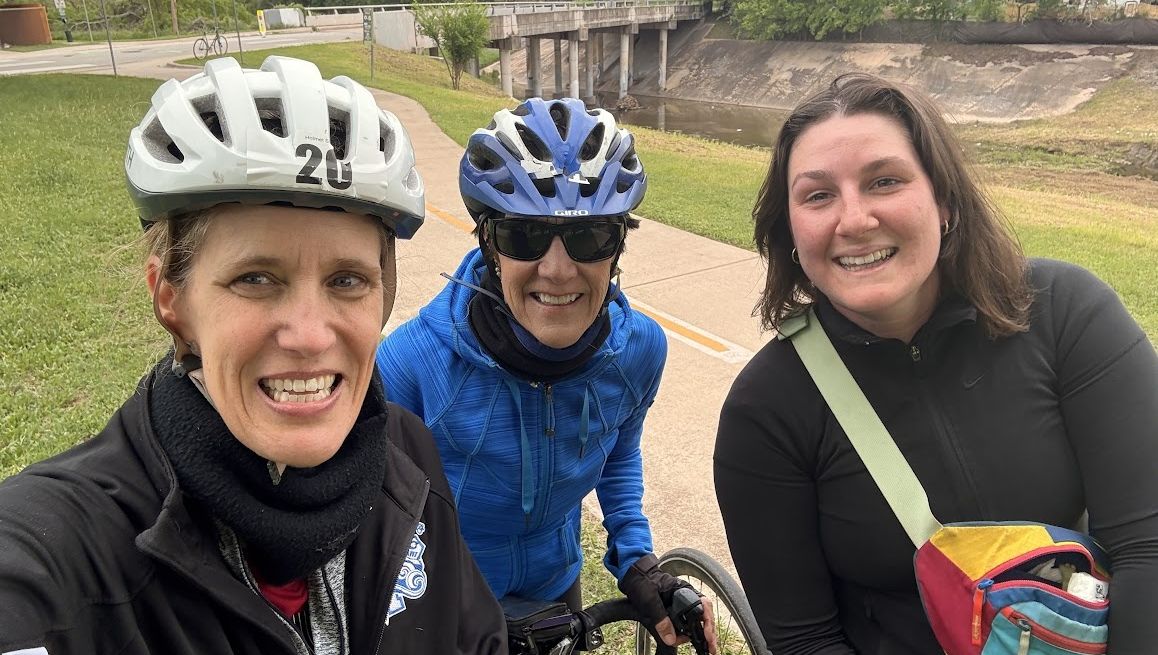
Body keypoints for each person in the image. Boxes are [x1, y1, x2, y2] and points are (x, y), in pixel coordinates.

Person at [0, 56, 506, 654]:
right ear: (171, 300)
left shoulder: (407, 456)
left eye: (347, 280)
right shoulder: (62, 548)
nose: (311, 336)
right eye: (257, 279)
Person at [714, 72, 1158, 654]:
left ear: (943, 201)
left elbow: (1146, 546)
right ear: (791, 231)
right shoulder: (765, 411)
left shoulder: (1065, 314)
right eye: (818, 195)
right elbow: (805, 640)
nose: (853, 220)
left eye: (885, 181)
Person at [376, 97, 717, 652]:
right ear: (489, 244)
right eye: (524, 236)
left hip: (559, 588)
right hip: (449, 600)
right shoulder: (412, 362)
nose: (557, 270)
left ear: (618, 247)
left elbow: (619, 451)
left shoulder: (640, 353)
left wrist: (635, 560)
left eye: (590, 238)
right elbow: (376, 516)